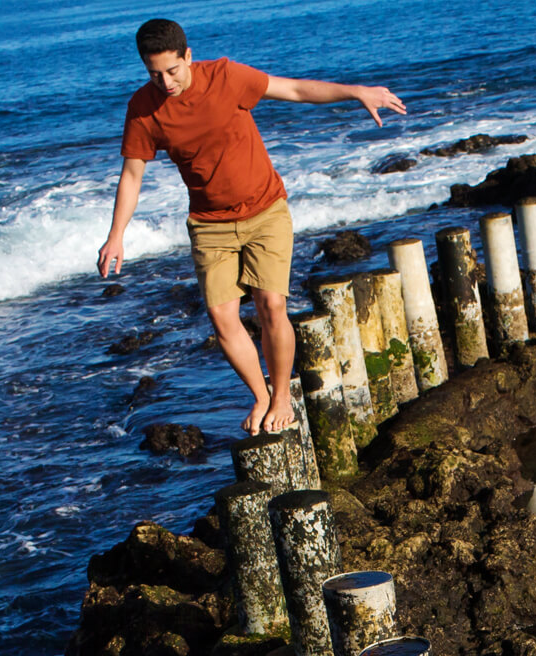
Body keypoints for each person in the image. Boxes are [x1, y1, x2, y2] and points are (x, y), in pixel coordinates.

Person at [96, 18, 405, 435]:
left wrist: (356, 92)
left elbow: (292, 89)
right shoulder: (143, 108)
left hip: (265, 211)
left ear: (188, 56)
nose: (165, 82)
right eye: (155, 74)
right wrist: (116, 235)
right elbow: (132, 175)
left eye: (173, 70)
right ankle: (260, 395)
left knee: (271, 305)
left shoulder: (225, 76)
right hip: (209, 224)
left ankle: (281, 396)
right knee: (223, 318)